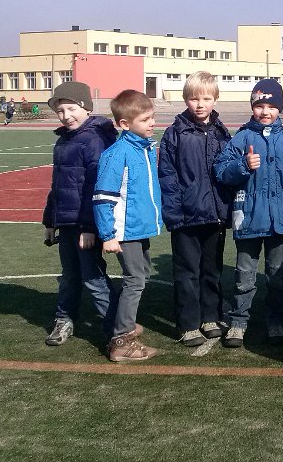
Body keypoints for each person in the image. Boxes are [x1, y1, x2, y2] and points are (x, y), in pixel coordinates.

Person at [214, 79, 283, 348]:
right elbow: (221, 171)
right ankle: (239, 322)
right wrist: (243, 165)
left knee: (277, 277)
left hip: (280, 220)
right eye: (260, 106)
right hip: (248, 218)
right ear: (252, 107)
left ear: (279, 108)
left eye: (271, 106)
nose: (265, 111)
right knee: (244, 276)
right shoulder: (241, 138)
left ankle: (276, 320)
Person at [41, 81, 119, 347]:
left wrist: (88, 227)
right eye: (60, 111)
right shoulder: (64, 141)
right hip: (67, 222)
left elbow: (96, 187)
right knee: (69, 275)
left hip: (86, 224)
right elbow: (58, 185)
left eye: (71, 109)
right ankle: (64, 319)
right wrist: (50, 220)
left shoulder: (95, 140)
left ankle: (116, 329)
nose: (66, 116)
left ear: (86, 108)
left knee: (93, 277)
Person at [158, 72, 232, 347]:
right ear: (185, 99)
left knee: (212, 270)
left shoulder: (222, 132)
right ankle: (188, 323)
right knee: (187, 272)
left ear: (215, 99)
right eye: (193, 98)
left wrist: (226, 209)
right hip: (186, 217)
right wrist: (174, 214)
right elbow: (167, 176)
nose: (200, 104)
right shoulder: (174, 133)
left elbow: (228, 172)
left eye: (206, 98)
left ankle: (210, 316)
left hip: (215, 215)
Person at [94, 90, 162, 363]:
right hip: (125, 230)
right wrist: (108, 235)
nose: (152, 123)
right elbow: (103, 197)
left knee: (139, 276)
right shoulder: (118, 153)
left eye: (152, 117)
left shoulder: (143, 148)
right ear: (124, 124)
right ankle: (122, 339)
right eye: (145, 119)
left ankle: (123, 322)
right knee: (135, 280)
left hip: (138, 227)